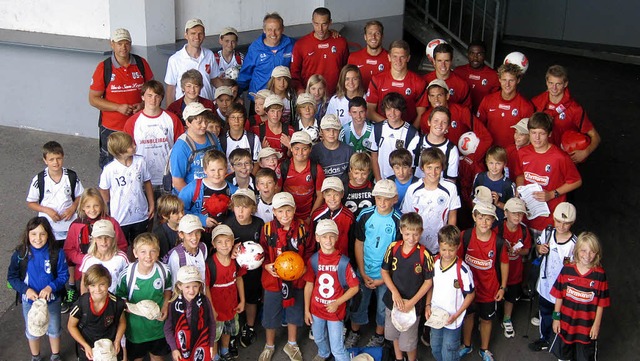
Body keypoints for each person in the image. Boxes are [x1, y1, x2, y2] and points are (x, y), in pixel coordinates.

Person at [258, 192, 314, 361]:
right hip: (273, 280)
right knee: (270, 314)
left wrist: (305, 266)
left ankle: (292, 343)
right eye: (280, 211)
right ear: (274, 211)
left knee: (294, 312)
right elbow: (260, 252)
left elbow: (310, 250)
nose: (285, 215)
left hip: (296, 280)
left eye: (288, 211)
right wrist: (266, 265)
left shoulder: (303, 229)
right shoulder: (267, 229)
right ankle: (269, 345)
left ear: (294, 210)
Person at [346, 180, 402, 349]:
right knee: (359, 302)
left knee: (382, 308)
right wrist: (362, 272)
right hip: (365, 270)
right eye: (379, 198)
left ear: (395, 199)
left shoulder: (398, 220)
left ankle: (379, 335)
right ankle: (354, 332)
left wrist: (384, 279)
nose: (382, 203)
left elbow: (397, 254)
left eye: (387, 199)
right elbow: (359, 243)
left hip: (385, 276)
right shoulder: (365, 215)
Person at [89, 28, 154, 168]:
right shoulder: (104, 68)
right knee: (110, 167)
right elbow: (93, 99)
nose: (123, 47)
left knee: (139, 165)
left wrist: (142, 105)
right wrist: (117, 107)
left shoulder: (141, 64)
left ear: (130, 44)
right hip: (112, 128)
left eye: (126, 43)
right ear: (112, 44)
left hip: (138, 126)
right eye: (119, 43)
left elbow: (153, 91)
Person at [7, 217, 69, 361]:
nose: (38, 238)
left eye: (42, 234)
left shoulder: (57, 253)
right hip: (30, 301)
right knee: (32, 330)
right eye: (33, 234)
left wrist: (51, 287)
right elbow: (12, 277)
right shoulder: (20, 254)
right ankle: (35, 356)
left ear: (48, 235)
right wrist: (25, 290)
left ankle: (55, 355)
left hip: (52, 300)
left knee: (54, 329)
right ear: (27, 235)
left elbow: (63, 275)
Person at [457, 202, 509, 361]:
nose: (484, 223)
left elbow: (504, 264)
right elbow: (457, 260)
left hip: (489, 290)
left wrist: (503, 287)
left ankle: (484, 349)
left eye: (488, 219)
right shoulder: (465, 236)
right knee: (468, 316)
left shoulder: (499, 242)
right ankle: (466, 345)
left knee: (486, 320)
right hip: (469, 289)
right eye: (481, 218)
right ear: (474, 217)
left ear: (494, 220)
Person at [64, 188, 128, 313]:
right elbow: (68, 250)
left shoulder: (111, 223)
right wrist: (86, 259)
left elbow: (122, 245)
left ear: (102, 205)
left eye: (96, 206)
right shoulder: (76, 225)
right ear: (82, 207)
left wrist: (112, 256)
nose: (92, 210)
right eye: (88, 206)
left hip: (112, 274)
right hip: (86, 273)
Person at [303, 219, 360, 361]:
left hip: (335, 312)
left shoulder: (343, 262)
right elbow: (309, 285)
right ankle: (323, 353)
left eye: (331, 236)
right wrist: (306, 309)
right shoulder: (314, 260)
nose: (328, 240)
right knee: (318, 337)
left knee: (338, 348)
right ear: (317, 238)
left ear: (337, 237)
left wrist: (337, 302)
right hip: (316, 310)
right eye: (324, 236)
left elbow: (354, 287)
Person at [381, 212, 434, 361]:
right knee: (393, 334)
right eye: (407, 234)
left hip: (412, 305)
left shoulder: (425, 254)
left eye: (415, 234)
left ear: (421, 232)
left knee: (408, 342)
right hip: (393, 302)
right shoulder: (393, 248)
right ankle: (399, 358)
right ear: (401, 231)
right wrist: (394, 292)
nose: (411, 238)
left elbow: (428, 282)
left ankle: (411, 359)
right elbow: (384, 271)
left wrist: (412, 302)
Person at [518, 112, 582, 233]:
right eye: (533, 133)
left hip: (549, 222)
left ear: (549, 134)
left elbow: (576, 181)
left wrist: (552, 194)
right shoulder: (523, 153)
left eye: (541, 133)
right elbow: (520, 174)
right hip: (525, 217)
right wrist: (520, 187)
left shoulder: (560, 157)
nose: (537, 138)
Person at [551, 232, 609, 361]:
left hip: (586, 327)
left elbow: (601, 303)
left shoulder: (599, 275)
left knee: (584, 356)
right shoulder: (567, 269)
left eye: (592, 251)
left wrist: (596, 325)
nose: (587, 256)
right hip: (566, 324)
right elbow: (559, 295)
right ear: (577, 250)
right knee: (564, 355)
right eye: (583, 250)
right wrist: (556, 318)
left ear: (597, 253)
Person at [529, 202, 578, 353]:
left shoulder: (574, 244)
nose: (561, 226)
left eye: (566, 223)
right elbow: (537, 246)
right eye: (558, 221)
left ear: (572, 223)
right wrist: (540, 248)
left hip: (562, 291)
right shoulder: (548, 232)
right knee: (545, 313)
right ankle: (545, 338)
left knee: (561, 318)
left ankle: (558, 342)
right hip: (545, 285)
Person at [116, 233, 172, 361]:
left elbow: (168, 289)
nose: (148, 256)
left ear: (158, 252)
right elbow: (121, 300)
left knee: (158, 357)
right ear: (135, 253)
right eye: (143, 252)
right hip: (136, 330)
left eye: (153, 251)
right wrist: (138, 309)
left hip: (157, 328)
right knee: (137, 357)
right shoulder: (127, 275)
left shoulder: (164, 270)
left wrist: (165, 305)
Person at [124, 80, 185, 195]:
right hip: (142, 177)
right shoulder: (132, 122)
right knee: (147, 212)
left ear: (161, 98)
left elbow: (181, 148)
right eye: (149, 95)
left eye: (157, 96)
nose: (153, 100)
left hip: (168, 177)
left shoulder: (172, 119)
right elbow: (125, 151)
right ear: (142, 97)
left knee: (167, 212)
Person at [531, 65, 601, 163]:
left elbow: (595, 136)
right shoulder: (536, 102)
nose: (554, 88)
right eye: (551, 83)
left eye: (558, 84)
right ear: (546, 82)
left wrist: (585, 152)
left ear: (565, 84)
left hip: (564, 161)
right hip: (541, 157)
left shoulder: (575, 109)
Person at [223, 189, 265, 348]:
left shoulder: (259, 224)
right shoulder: (228, 225)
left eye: (245, 207)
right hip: (233, 271)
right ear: (232, 207)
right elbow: (220, 247)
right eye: (237, 207)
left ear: (253, 208)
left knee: (251, 298)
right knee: (233, 299)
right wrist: (230, 250)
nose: (240, 211)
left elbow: (265, 247)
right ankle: (232, 331)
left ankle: (250, 326)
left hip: (253, 272)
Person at [426, 225, 475, 361]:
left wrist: (457, 315)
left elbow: (470, 295)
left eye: (451, 250)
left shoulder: (463, 270)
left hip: (453, 320)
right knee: (435, 346)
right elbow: (430, 285)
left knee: (449, 351)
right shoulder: (434, 263)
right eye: (444, 249)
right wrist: (427, 305)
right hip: (436, 315)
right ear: (439, 246)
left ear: (458, 247)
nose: (447, 254)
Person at [401, 148, 461, 255]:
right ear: (422, 167)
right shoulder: (413, 189)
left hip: (440, 246)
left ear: (442, 168)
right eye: (429, 167)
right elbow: (407, 217)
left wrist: (448, 241)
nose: (433, 172)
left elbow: (452, 216)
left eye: (437, 168)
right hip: (416, 244)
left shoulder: (450, 188)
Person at [99, 132, 155, 245]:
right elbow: (103, 190)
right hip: (120, 217)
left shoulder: (140, 162)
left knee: (140, 244)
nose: (135, 146)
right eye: (130, 145)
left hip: (141, 214)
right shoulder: (109, 169)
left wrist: (151, 203)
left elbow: (147, 182)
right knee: (121, 245)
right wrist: (108, 208)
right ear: (120, 150)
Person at [26, 141, 84, 243]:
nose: (55, 162)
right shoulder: (39, 180)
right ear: (45, 160)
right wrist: (47, 211)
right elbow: (31, 203)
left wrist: (73, 208)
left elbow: (81, 196)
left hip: (69, 225)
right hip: (48, 226)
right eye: (51, 159)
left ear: (63, 157)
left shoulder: (71, 176)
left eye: (58, 158)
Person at [68, 264, 126, 361]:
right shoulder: (81, 304)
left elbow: (122, 322)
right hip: (88, 349)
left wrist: (117, 340)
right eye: (93, 285)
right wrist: (85, 345)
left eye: (102, 284)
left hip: (109, 349)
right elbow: (71, 326)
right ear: (88, 286)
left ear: (109, 284)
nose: (98, 289)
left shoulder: (117, 303)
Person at [206, 226, 246, 361]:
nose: (224, 245)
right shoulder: (210, 264)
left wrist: (242, 300)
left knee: (228, 330)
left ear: (233, 241)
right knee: (215, 334)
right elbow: (206, 287)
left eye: (227, 241)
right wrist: (211, 308)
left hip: (231, 306)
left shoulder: (236, 261)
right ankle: (215, 356)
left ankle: (225, 350)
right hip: (216, 308)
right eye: (219, 242)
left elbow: (239, 279)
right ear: (213, 244)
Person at [290, 7, 349, 95]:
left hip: (335, 95)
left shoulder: (341, 42)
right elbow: (294, 71)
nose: (320, 29)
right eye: (316, 24)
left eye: (324, 24)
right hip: (309, 96)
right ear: (312, 22)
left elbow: (346, 69)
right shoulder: (301, 44)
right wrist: (300, 89)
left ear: (330, 23)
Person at [238, 12, 295, 103]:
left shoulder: (291, 44)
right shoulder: (255, 48)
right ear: (264, 30)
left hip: (282, 100)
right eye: (269, 29)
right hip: (260, 99)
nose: (273, 33)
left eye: (277, 29)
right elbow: (245, 74)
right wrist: (237, 94)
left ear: (283, 29)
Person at [366, 40, 427, 125]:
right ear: (389, 57)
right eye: (395, 56)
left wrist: (409, 133)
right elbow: (370, 112)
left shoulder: (419, 82)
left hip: (407, 132)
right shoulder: (377, 80)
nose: (398, 61)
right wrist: (391, 128)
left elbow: (421, 114)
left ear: (408, 58)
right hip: (383, 129)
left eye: (402, 57)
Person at [476, 63, 534, 148]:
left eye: (511, 80)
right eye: (504, 80)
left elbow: (528, 136)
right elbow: (479, 127)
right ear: (499, 79)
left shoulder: (526, 106)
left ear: (518, 80)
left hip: (512, 154)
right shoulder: (488, 100)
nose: (507, 84)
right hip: (489, 152)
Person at [169, 102, 223, 193]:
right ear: (188, 123)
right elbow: (177, 181)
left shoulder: (212, 138)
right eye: (199, 122)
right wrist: (194, 199)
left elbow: (221, 162)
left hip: (212, 193)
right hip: (191, 197)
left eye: (206, 121)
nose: (204, 125)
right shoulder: (181, 147)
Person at [165, 266, 216, 361]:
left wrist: (211, 344)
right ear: (179, 286)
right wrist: (174, 348)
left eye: (195, 286)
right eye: (187, 287)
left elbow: (211, 323)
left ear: (200, 285)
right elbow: (168, 328)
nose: (192, 291)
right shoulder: (173, 304)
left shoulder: (205, 301)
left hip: (202, 345)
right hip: (181, 348)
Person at [178, 150, 237, 233]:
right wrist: (201, 220)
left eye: (220, 169)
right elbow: (179, 211)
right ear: (205, 170)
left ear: (226, 169)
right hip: (198, 235)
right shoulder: (194, 187)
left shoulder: (233, 191)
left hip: (223, 237)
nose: (217, 174)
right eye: (212, 170)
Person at [165, 18, 219, 104]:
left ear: (204, 35)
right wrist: (170, 113)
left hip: (207, 107)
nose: (197, 37)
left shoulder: (209, 55)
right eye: (193, 33)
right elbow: (171, 88)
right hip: (184, 109)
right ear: (186, 35)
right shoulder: (175, 59)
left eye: (200, 33)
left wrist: (230, 93)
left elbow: (215, 80)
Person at [368, 92, 421, 181]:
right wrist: (378, 179)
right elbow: (374, 156)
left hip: (403, 181)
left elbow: (412, 163)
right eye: (388, 109)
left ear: (402, 110)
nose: (392, 113)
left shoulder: (411, 133)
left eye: (396, 109)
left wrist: (404, 182)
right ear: (384, 109)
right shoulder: (377, 128)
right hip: (382, 181)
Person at [279, 131, 326, 222]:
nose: (300, 152)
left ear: (310, 149)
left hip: (308, 216)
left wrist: (311, 217)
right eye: (296, 148)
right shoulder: (283, 167)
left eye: (304, 149)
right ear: (291, 148)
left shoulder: (316, 169)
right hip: (287, 217)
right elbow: (276, 192)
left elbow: (320, 196)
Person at [78, 220, 129, 294]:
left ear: (113, 238)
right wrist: (84, 301)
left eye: (107, 237)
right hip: (95, 298)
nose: (104, 241)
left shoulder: (121, 258)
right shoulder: (89, 259)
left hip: (117, 300)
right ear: (94, 239)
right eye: (99, 237)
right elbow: (84, 283)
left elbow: (127, 280)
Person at [310, 177, 355, 257]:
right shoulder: (316, 215)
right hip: (322, 261)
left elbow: (352, 244)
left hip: (342, 261)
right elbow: (312, 242)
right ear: (323, 195)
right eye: (328, 195)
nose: (332, 199)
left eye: (336, 195)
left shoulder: (349, 217)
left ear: (342, 194)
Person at [471, 146, 516, 223]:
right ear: (486, 162)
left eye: (498, 163)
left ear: (504, 164)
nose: (494, 167)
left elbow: (513, 209)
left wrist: (498, 203)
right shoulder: (480, 177)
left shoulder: (508, 185)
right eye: (491, 163)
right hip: (481, 223)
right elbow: (473, 198)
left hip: (499, 224)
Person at [414, 105, 460, 180]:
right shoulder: (417, 141)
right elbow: (408, 169)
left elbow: (451, 180)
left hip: (440, 190)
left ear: (448, 127)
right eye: (436, 120)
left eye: (444, 122)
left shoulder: (451, 150)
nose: (439, 125)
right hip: (418, 188)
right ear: (429, 122)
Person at [453, 41, 500, 113]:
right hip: (461, 114)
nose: (475, 58)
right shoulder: (458, 72)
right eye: (472, 53)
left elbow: (495, 102)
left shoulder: (494, 76)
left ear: (485, 55)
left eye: (479, 54)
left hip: (483, 116)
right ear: (468, 54)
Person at [424, 43, 471, 109]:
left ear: (451, 61)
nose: (443, 65)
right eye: (439, 61)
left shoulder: (462, 85)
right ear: (434, 61)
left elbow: (466, 112)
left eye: (446, 61)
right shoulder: (424, 81)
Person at [165, 214, 209, 285]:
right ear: (181, 235)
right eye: (189, 233)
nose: (194, 237)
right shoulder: (176, 257)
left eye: (197, 232)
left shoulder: (203, 248)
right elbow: (175, 284)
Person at [311, 114, 354, 182]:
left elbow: (352, 175)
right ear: (321, 131)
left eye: (335, 130)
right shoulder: (314, 151)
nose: (332, 133)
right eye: (327, 130)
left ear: (339, 131)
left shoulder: (348, 151)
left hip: (343, 189)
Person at [347, 20, 390, 90]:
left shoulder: (391, 59)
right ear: (365, 37)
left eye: (377, 33)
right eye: (370, 33)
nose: (373, 37)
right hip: (359, 99)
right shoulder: (353, 58)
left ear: (382, 36)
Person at [222, 103, 262, 172]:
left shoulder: (253, 139)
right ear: (228, 119)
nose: (236, 121)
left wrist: (249, 180)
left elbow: (256, 163)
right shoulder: (222, 140)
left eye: (240, 117)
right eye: (233, 117)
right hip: (228, 179)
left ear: (244, 119)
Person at [152, 194, 184, 259]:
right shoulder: (158, 234)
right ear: (165, 216)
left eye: (182, 210)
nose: (181, 215)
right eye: (176, 213)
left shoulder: (188, 227)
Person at [343, 152, 374, 218]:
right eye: (356, 173)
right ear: (351, 170)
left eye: (364, 173)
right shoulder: (344, 188)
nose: (360, 177)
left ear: (369, 171)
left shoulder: (373, 188)